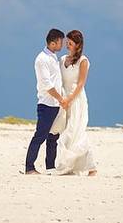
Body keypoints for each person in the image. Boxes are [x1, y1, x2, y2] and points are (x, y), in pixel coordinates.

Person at [53, 29, 97, 176]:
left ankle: (91, 167)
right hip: (63, 98)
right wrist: (60, 99)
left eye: (70, 43)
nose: (67, 45)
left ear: (78, 45)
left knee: (76, 131)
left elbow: (80, 84)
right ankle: (70, 165)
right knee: (65, 131)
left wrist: (69, 100)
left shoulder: (83, 61)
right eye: (67, 42)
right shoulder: (62, 59)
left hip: (76, 100)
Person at [24, 28, 67, 174]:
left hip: (55, 104)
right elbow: (46, 85)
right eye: (61, 42)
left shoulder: (53, 57)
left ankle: (50, 167)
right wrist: (61, 99)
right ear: (53, 43)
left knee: (53, 136)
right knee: (40, 136)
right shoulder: (41, 59)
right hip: (47, 104)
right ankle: (29, 167)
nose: (63, 44)